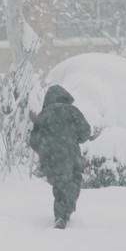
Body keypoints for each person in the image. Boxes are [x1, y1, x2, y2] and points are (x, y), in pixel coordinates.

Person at [30, 85, 91, 229]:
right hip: (71, 157)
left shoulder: (43, 115)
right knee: (73, 183)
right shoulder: (72, 112)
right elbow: (85, 134)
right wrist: (71, 136)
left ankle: (61, 215)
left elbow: (33, 141)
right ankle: (64, 214)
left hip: (50, 160)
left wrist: (46, 149)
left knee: (59, 186)